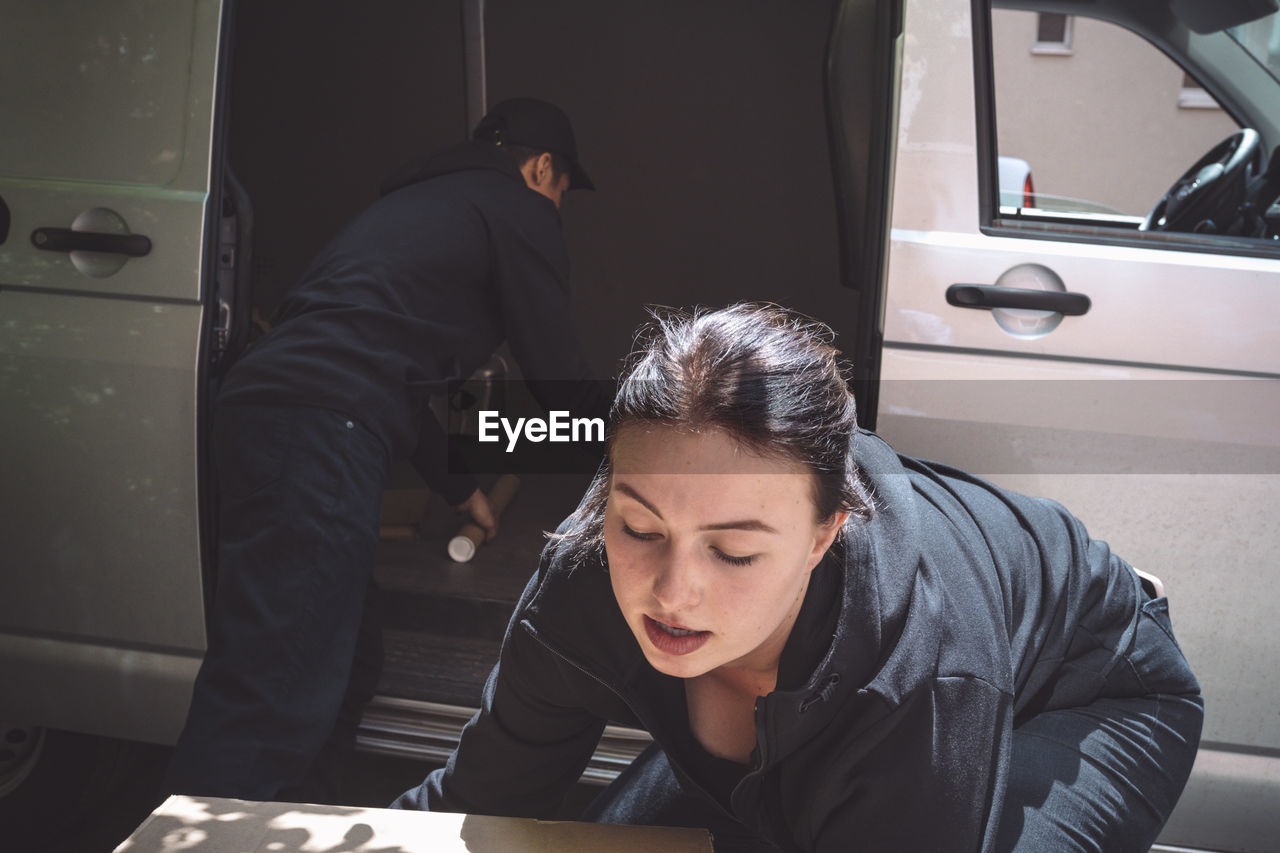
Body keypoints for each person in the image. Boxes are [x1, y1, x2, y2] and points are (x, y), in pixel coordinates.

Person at [391, 304, 1204, 852]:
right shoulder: (581, 582)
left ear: (826, 534)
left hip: (1086, 698)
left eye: (734, 552)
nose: (672, 591)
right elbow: (480, 805)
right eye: (640, 527)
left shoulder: (921, 678)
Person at [164, 97, 611, 803]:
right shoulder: (519, 208)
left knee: (338, 659)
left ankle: (287, 827)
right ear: (542, 165)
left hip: (265, 413)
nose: (558, 207)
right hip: (320, 424)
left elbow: (383, 371)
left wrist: (460, 487)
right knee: (273, 689)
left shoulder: (416, 208)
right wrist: (653, 450)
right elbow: (560, 381)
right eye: (560, 190)